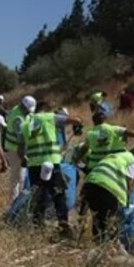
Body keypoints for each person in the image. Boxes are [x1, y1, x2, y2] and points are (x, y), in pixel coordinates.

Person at [21, 102, 83, 238]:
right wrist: (79, 122)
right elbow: (74, 120)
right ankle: (63, 224)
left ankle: (37, 225)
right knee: (58, 193)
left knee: (39, 194)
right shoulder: (48, 117)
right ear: (45, 110)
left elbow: (23, 145)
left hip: (33, 164)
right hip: (50, 161)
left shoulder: (25, 124)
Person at [83, 146, 134, 242]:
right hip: (107, 189)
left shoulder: (116, 155)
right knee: (109, 223)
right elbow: (129, 181)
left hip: (90, 184)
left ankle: (98, 244)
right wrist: (128, 202)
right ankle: (104, 247)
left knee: (99, 219)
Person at [4, 96, 36, 202]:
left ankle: (18, 200)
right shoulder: (18, 118)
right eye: (28, 109)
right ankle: (14, 202)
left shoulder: (17, 109)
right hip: (15, 149)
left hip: (18, 148)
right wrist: (23, 157)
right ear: (23, 106)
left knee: (21, 176)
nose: (29, 112)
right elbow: (20, 141)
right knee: (16, 177)